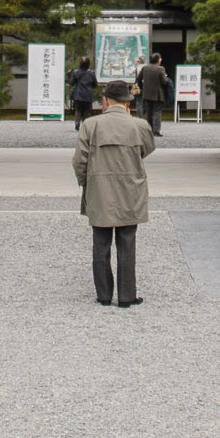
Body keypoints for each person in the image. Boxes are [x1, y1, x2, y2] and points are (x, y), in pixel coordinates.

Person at [73, 78, 155, 306]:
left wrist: (86, 182)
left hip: (100, 191)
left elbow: (79, 161)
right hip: (131, 190)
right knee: (127, 243)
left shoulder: (91, 125)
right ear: (128, 102)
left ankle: (104, 295)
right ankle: (127, 296)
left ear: (106, 101)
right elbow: (147, 150)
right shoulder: (140, 126)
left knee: (100, 244)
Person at [135, 54, 168, 137]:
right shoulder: (161, 69)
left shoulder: (145, 68)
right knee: (157, 111)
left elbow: (138, 79)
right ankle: (156, 131)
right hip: (158, 94)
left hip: (147, 93)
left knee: (149, 112)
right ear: (158, 60)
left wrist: (142, 87)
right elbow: (164, 82)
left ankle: (150, 130)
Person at [67, 55, 99, 130]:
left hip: (78, 94)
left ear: (80, 63)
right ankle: (86, 125)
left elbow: (71, 83)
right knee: (87, 111)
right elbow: (95, 84)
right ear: (88, 63)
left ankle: (77, 123)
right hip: (88, 93)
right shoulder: (91, 73)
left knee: (78, 109)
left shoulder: (76, 72)